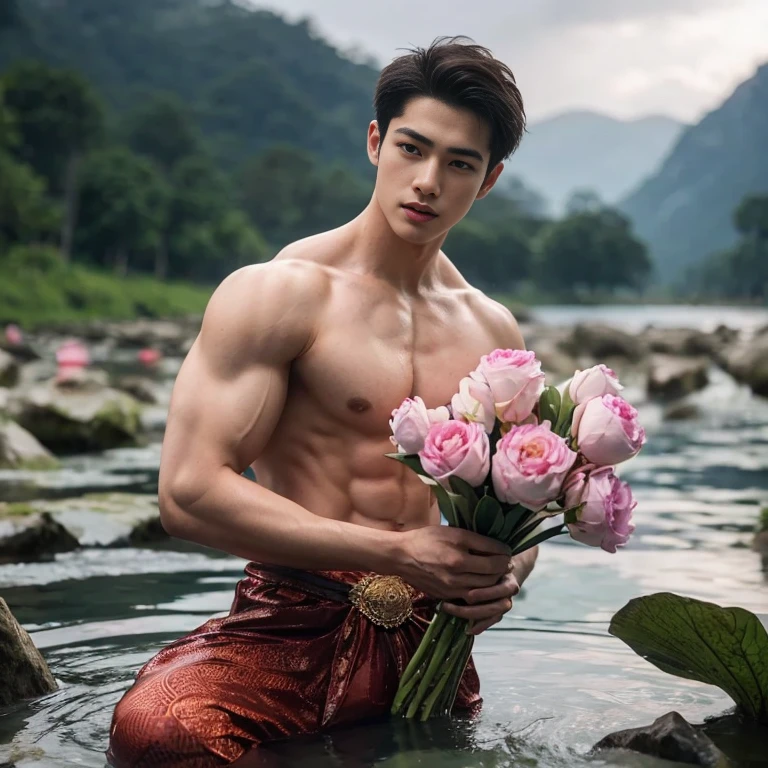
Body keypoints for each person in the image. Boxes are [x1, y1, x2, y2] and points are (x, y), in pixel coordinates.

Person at [107, 36, 536, 768]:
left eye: (459, 163)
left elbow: (515, 512)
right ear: (375, 142)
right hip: (288, 622)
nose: (427, 181)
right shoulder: (278, 294)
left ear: (487, 181)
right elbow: (188, 494)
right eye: (411, 148)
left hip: (432, 645)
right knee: (159, 731)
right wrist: (399, 552)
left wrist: (502, 579)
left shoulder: (491, 329)